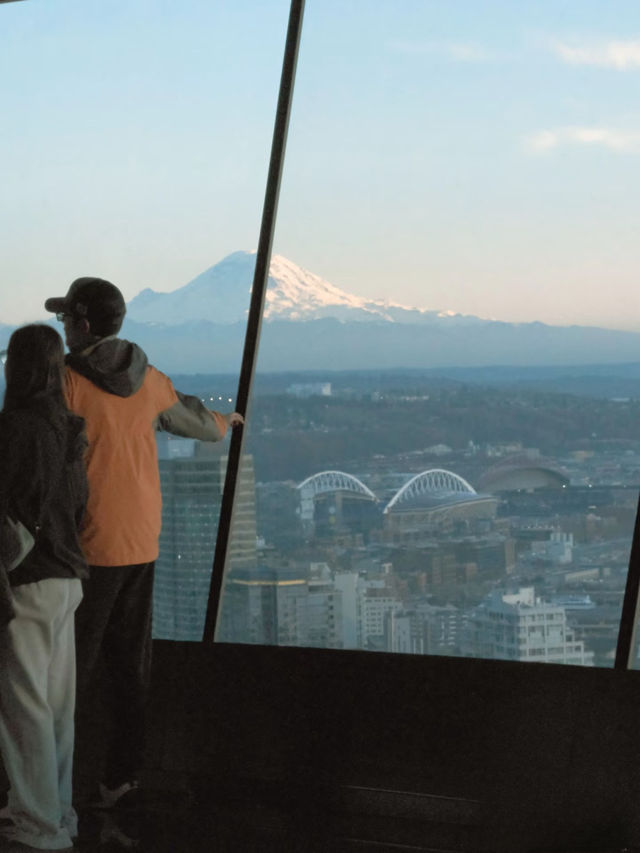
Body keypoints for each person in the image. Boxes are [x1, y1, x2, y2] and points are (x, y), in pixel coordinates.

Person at [43, 278, 243, 809]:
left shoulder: (66, 382)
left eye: (66, 319)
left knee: (71, 673)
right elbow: (201, 424)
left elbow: (42, 456)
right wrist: (227, 421)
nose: (63, 328)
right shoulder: (148, 379)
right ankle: (122, 780)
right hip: (141, 541)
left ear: (83, 324)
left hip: (89, 548)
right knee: (130, 669)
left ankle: (62, 787)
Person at [0, 324, 88, 853]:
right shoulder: (68, 427)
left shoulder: (14, 428)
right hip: (66, 578)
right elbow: (77, 505)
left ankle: (35, 823)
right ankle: (56, 813)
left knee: (22, 704)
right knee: (56, 706)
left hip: (26, 583)